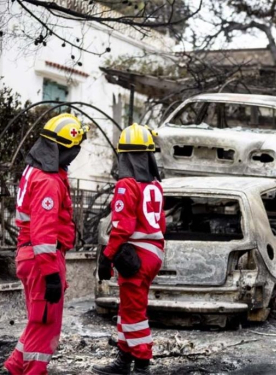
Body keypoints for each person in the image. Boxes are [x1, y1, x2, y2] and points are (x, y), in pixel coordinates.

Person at [4, 114, 88, 375]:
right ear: (60, 149)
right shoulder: (48, 181)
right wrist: (52, 274)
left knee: (37, 321)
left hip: (32, 256)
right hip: (43, 259)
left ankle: (15, 367)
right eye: (72, 150)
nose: (73, 156)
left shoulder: (35, 171)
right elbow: (43, 233)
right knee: (45, 324)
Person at [92, 124, 165, 375]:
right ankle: (124, 359)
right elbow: (161, 224)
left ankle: (141, 364)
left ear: (124, 155)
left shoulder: (126, 184)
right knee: (127, 309)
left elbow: (122, 228)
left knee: (134, 313)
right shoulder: (155, 185)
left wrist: (107, 256)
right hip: (152, 253)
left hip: (136, 255)